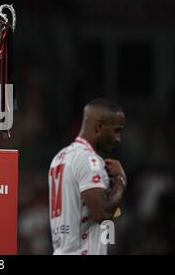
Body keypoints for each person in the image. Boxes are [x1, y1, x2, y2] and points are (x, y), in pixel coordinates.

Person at [48, 98, 127, 255]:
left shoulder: (60, 157)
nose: (118, 139)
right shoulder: (89, 161)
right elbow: (103, 215)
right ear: (99, 127)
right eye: (116, 131)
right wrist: (121, 180)